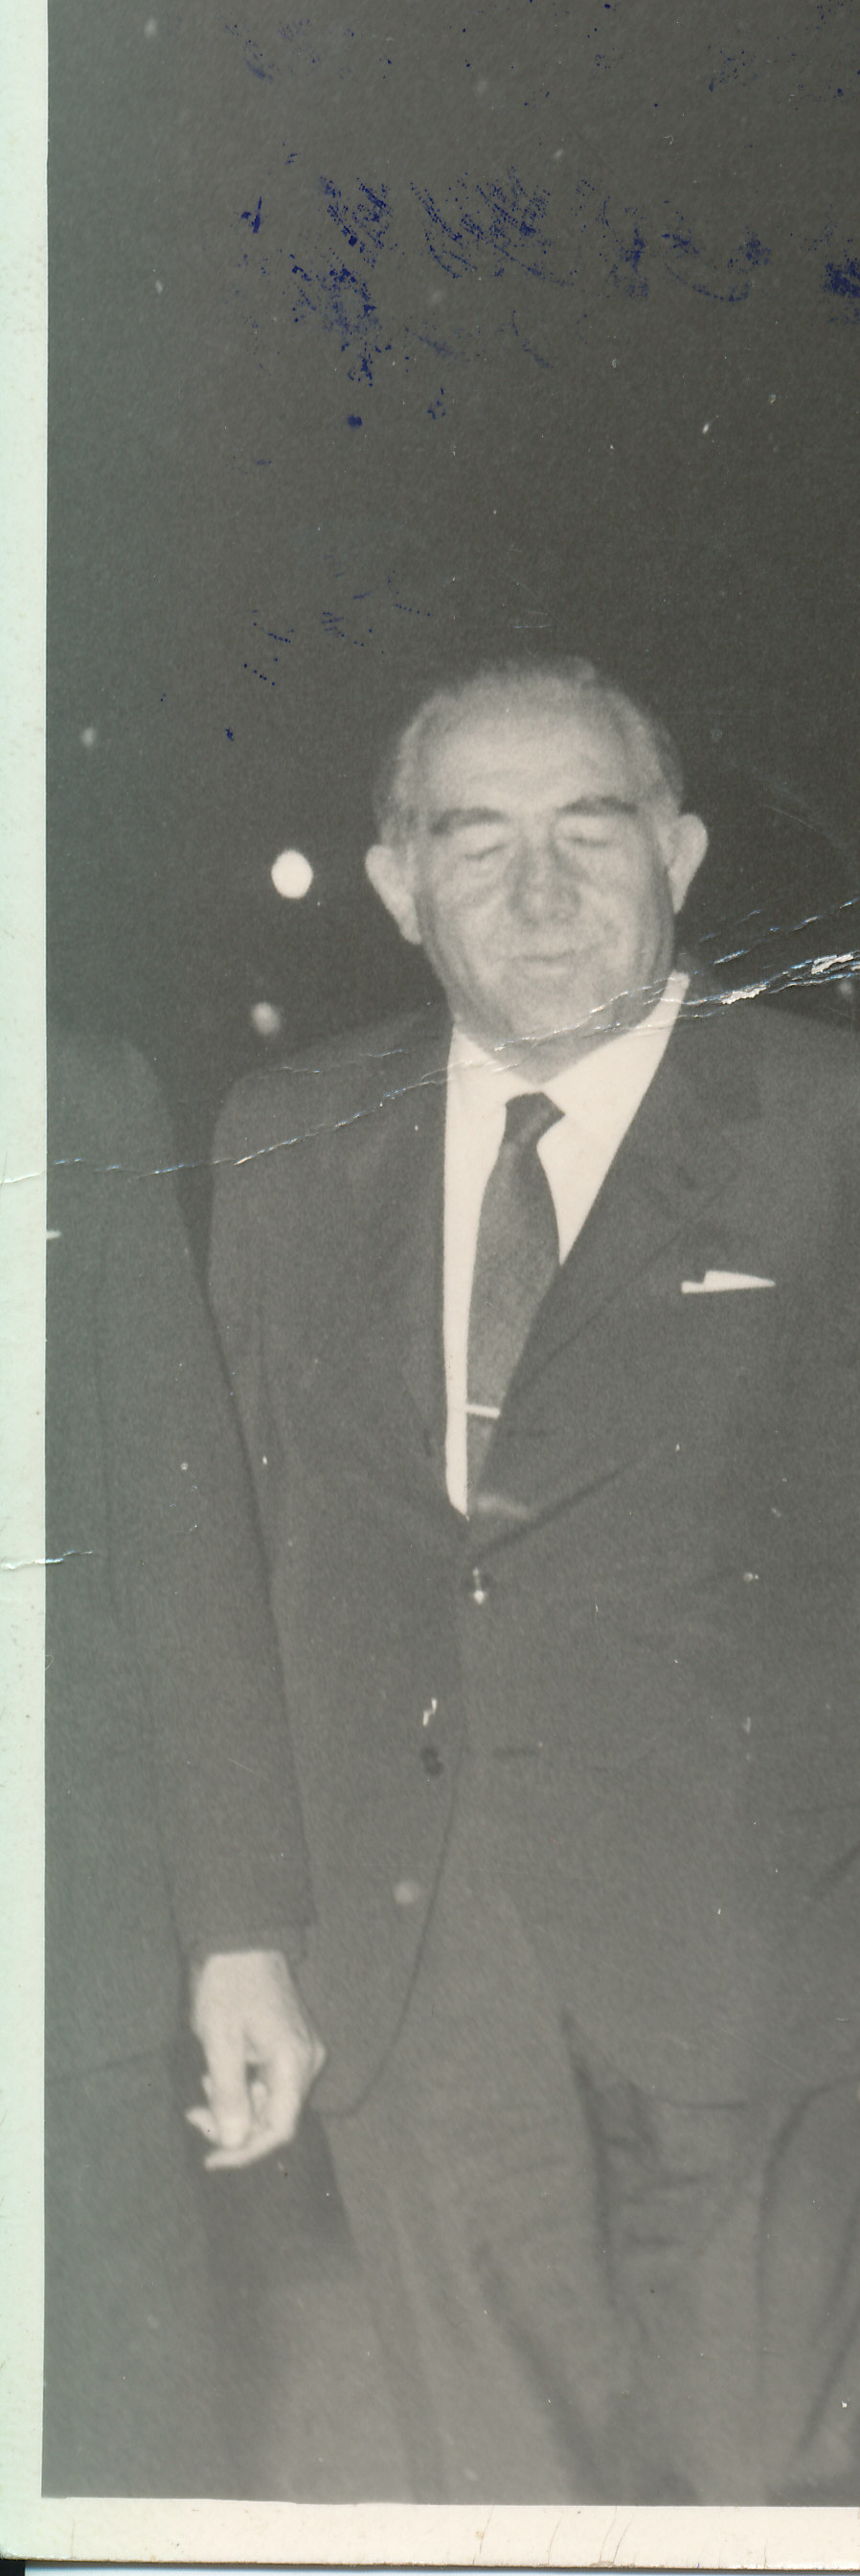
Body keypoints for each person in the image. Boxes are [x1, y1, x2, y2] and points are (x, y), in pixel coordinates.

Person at [202, 654, 860, 2503]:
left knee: (781, 2483)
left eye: (590, 830)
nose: (540, 889)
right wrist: (235, 1929)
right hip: (419, 1954)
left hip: (767, 1932)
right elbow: (242, 1573)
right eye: (476, 840)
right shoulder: (285, 1142)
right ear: (395, 883)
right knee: (497, 2492)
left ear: (680, 853)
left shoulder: (855, 1123)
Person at [41, 1029, 318, 2496]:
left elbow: (181, 1545)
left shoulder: (71, 1094)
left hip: (58, 1978)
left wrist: (237, 1933)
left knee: (113, 2465)